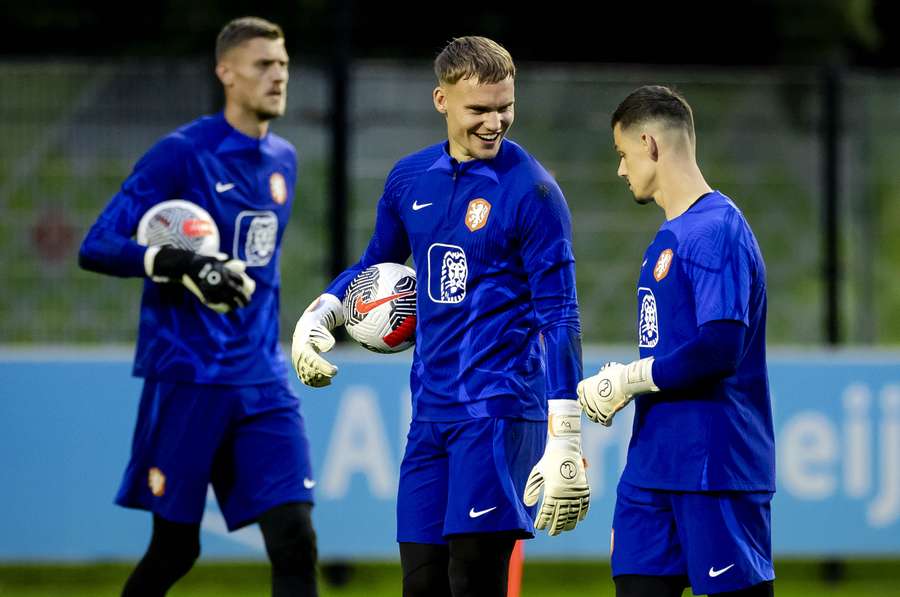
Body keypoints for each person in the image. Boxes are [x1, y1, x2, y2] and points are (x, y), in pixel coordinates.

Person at [291, 36, 589, 597]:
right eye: (479, 109)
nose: (495, 122)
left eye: (505, 107)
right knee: (421, 587)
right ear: (441, 100)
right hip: (428, 415)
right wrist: (323, 313)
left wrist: (566, 436)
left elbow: (561, 317)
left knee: (471, 584)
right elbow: (375, 264)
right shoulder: (409, 178)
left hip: (498, 413)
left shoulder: (534, 192)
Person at [78, 17, 318, 597]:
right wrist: (177, 263)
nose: (278, 75)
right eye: (263, 65)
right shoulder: (182, 155)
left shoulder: (283, 159)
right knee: (175, 550)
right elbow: (97, 244)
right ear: (226, 73)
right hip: (189, 376)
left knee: (295, 540)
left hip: (262, 377)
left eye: (283, 64)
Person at [577, 85, 775, 597]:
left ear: (651, 145)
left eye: (623, 154)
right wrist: (630, 382)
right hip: (650, 468)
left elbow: (720, 346)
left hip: (715, 468)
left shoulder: (716, 229)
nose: (620, 170)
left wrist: (630, 379)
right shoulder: (668, 236)